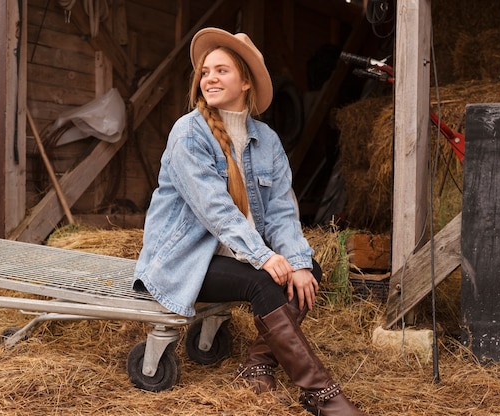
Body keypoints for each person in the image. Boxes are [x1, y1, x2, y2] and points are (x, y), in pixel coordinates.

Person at [133, 27, 365, 416]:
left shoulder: (267, 140)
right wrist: (263, 256)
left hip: (236, 256)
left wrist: (298, 262)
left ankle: (257, 364)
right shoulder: (188, 133)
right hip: (184, 260)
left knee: (307, 269)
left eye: (221, 71)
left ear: (245, 82)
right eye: (205, 72)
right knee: (266, 280)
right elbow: (215, 209)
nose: (209, 78)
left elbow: (281, 213)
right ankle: (322, 394)